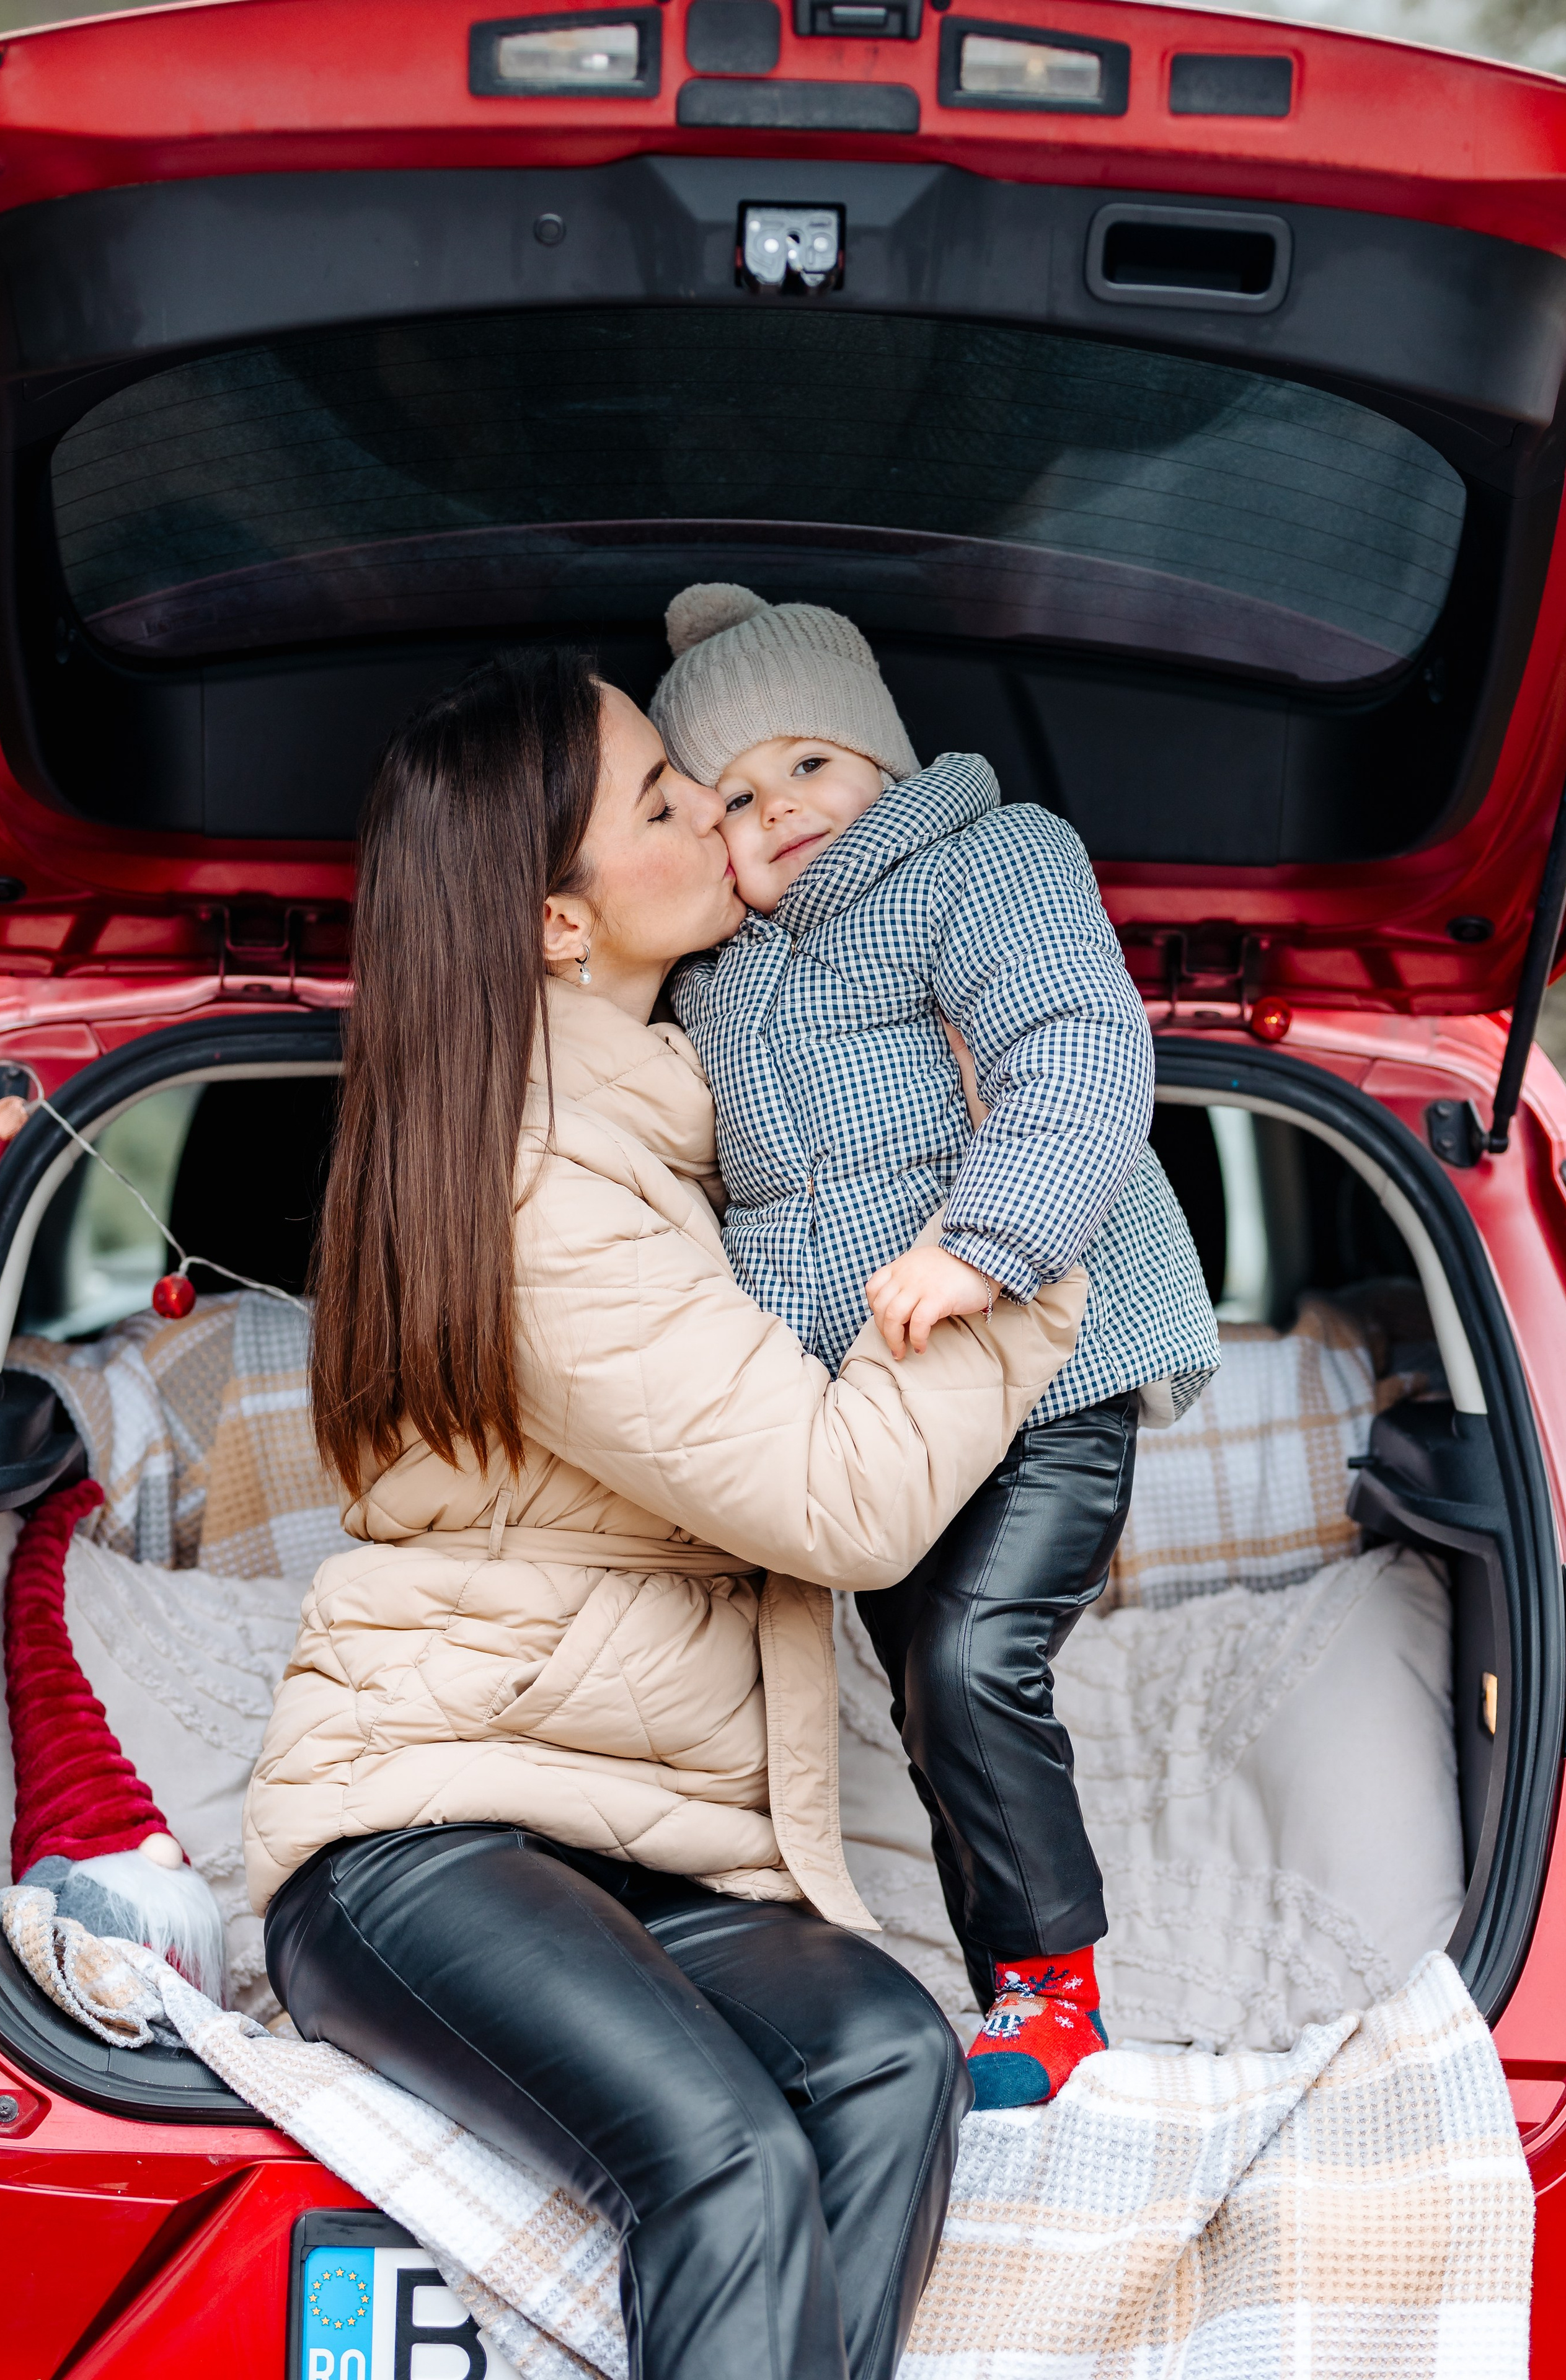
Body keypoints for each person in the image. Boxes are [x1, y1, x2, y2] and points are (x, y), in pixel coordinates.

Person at [244, 648, 1089, 2380]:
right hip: (428, 1838)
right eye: (658, 797)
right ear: (558, 928)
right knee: (728, 2161)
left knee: (885, 2056)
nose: (718, 809)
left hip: (637, 1845)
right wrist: (1028, 1243)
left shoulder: (679, 1127)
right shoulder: (545, 1183)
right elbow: (838, 1501)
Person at [652, 584, 1220, 2109]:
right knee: (922, 1692)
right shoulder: (715, 980)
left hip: (1049, 1369)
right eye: (735, 798)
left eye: (809, 766)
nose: (779, 811)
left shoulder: (987, 863)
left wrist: (984, 1245)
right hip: (878, 1423)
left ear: (886, 763)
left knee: (971, 1662)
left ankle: (1059, 1995)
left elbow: (1079, 1048)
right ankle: (1013, 2004)